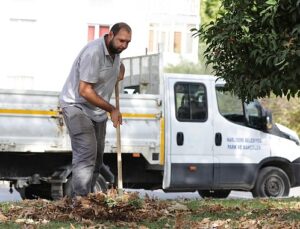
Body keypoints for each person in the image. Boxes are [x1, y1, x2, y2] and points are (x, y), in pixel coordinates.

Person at [59, 22, 132, 197]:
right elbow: (84, 90)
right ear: (111, 35)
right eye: (121, 40)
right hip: (76, 106)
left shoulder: (115, 53)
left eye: (128, 42)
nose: (124, 45)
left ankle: (88, 197)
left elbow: (115, 71)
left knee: (97, 158)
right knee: (86, 152)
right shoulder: (94, 52)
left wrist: (118, 71)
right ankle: (80, 202)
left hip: (96, 111)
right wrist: (112, 109)